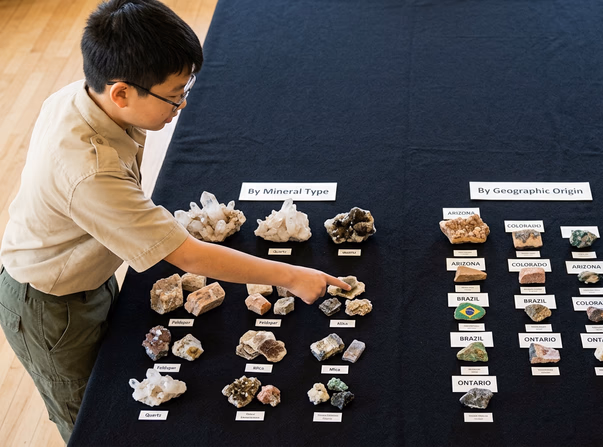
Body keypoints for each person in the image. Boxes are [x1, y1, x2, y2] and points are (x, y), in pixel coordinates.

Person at [0, 0, 349, 442]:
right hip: (50, 303)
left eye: (186, 89)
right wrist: (293, 277)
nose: (182, 105)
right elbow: (187, 256)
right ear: (122, 92)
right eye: (174, 94)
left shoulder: (86, 95)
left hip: (87, 270)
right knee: (89, 413)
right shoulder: (88, 168)